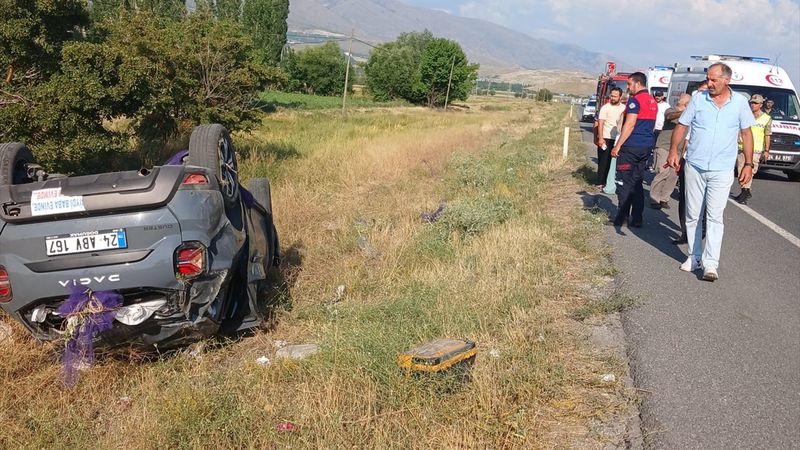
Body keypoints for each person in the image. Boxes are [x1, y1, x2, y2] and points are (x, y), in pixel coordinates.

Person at [666, 63, 756, 281]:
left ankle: (711, 264)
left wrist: (748, 164)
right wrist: (673, 151)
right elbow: (682, 125)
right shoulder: (698, 99)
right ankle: (694, 256)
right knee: (693, 213)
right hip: (695, 164)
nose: (710, 83)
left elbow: (747, 133)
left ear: (727, 80)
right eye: (708, 79)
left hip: (722, 168)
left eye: (714, 80)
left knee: (715, 216)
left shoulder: (740, 104)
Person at [610, 72, 658, 227]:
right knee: (637, 182)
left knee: (624, 181)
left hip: (631, 146)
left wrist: (618, 146)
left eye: (630, 84)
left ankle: (622, 217)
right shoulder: (652, 101)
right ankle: (637, 218)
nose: (628, 88)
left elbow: (630, 124)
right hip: (645, 146)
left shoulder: (635, 100)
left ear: (638, 84)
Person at [649, 93, 690, 209]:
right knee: (663, 172)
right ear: (684, 103)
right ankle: (654, 198)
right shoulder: (671, 110)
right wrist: (685, 112)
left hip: (679, 150)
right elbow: (669, 117)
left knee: (673, 175)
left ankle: (664, 198)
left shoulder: (690, 116)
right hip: (664, 146)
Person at [732, 94, 772, 204]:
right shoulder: (745, 115)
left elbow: (767, 135)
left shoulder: (766, 118)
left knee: (750, 170)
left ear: (761, 104)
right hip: (742, 147)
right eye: (751, 103)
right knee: (741, 170)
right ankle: (745, 191)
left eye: (755, 103)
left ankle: (745, 192)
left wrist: (767, 150)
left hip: (756, 149)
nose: (752, 105)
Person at [594, 87, 625, 188]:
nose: (612, 98)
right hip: (606, 137)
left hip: (617, 138)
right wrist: (600, 138)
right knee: (604, 161)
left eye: (615, 96)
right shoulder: (605, 108)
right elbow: (600, 123)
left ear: (620, 97)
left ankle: (610, 181)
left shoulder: (623, 108)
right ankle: (600, 182)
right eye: (611, 96)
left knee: (615, 162)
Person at [648, 91, 671, 172]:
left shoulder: (666, 106)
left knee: (658, 147)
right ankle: (650, 164)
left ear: (662, 97)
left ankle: (655, 164)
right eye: (656, 96)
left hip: (661, 128)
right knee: (651, 147)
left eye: (659, 96)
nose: (657, 97)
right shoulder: (652, 103)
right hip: (652, 127)